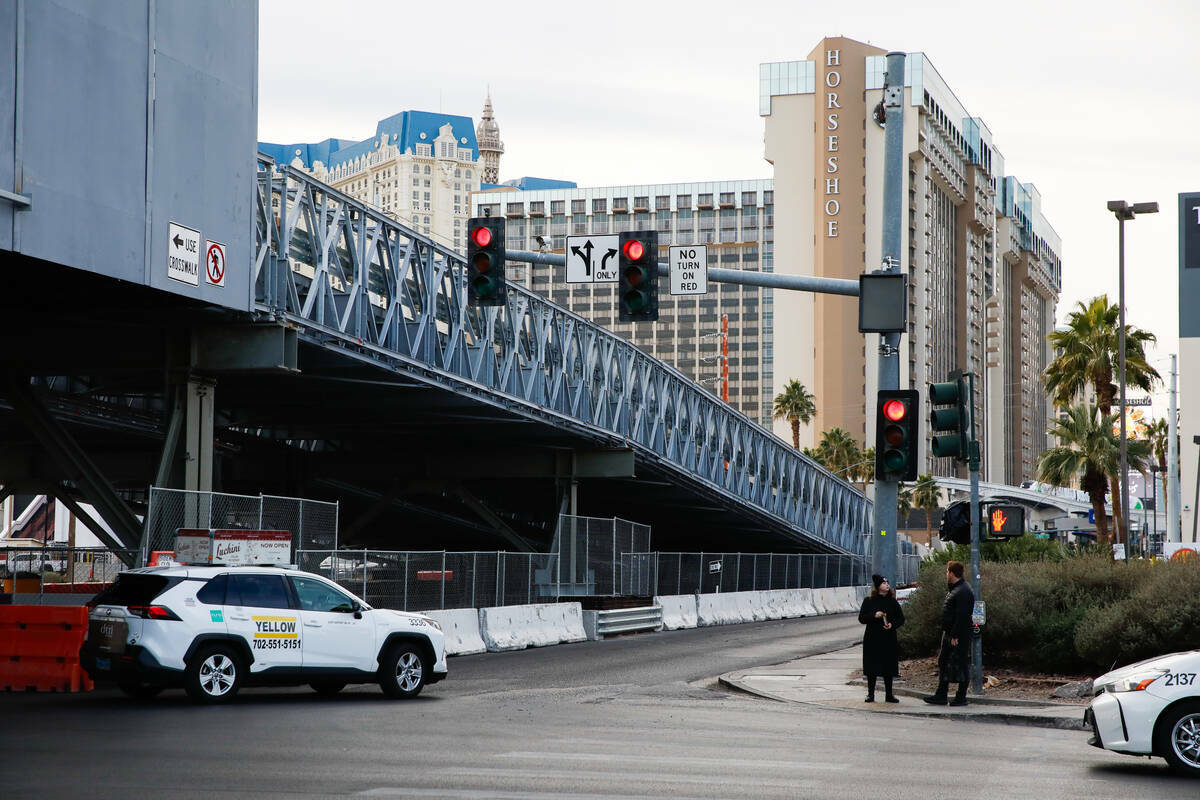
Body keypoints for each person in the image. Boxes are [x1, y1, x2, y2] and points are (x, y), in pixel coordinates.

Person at [924, 560, 975, 707]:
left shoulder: (963, 591)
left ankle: (961, 697)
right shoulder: (956, 589)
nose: (946, 574)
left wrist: (955, 635)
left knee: (961, 663)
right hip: (950, 634)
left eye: (947, 571)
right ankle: (941, 694)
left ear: (952, 573)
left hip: (958, 635)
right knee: (944, 662)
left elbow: (962, 616)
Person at [858, 573, 904, 703]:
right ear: (878, 586)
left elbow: (901, 618)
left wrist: (892, 624)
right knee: (871, 667)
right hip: (872, 638)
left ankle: (889, 694)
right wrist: (874, 615)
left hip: (888, 638)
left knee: (888, 667)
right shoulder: (869, 601)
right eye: (884, 583)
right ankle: (870, 694)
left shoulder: (892, 602)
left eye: (887, 583)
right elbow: (862, 618)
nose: (887, 585)